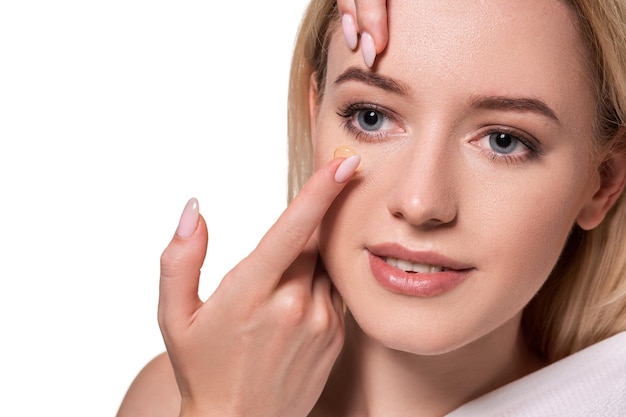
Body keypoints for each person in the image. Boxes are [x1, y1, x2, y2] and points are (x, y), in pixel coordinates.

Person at [116, 0, 626, 415]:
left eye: (502, 140)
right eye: (372, 116)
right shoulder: (177, 397)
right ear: (316, 116)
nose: (421, 202)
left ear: (602, 182)